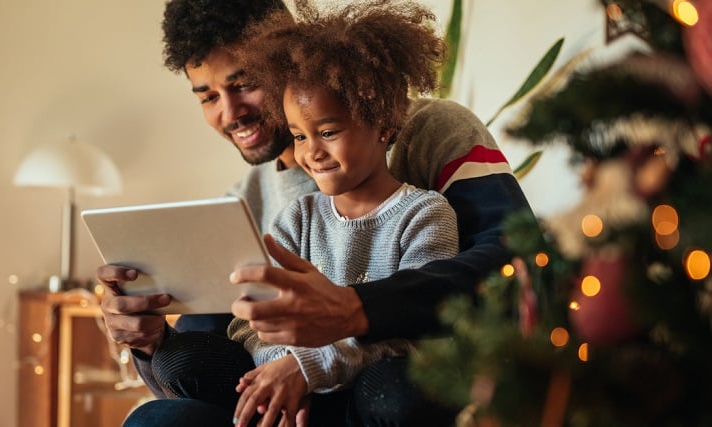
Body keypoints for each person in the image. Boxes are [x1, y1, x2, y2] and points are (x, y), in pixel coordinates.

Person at [98, 0, 533, 425]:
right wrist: (149, 341)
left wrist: (355, 312)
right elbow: (206, 361)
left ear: (286, 62)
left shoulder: (430, 132)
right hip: (283, 399)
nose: (230, 113)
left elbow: (516, 260)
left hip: (387, 379)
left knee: (395, 393)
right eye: (208, 96)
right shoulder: (242, 204)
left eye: (244, 82)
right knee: (159, 417)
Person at [226, 3, 459, 425]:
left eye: (328, 132)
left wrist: (307, 368)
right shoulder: (297, 219)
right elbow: (252, 321)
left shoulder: (425, 214)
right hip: (300, 397)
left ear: (385, 124)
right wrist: (287, 370)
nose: (311, 152)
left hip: (370, 397)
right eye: (299, 135)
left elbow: (412, 332)